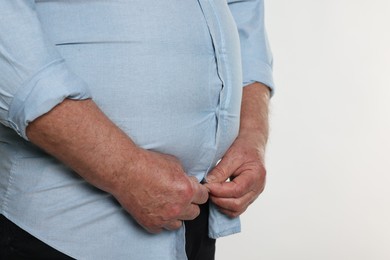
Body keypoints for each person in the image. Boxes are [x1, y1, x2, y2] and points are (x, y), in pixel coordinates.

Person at [0, 0, 274, 259]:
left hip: (195, 218)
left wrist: (252, 133)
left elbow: (242, 6)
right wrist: (125, 170)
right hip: (60, 230)